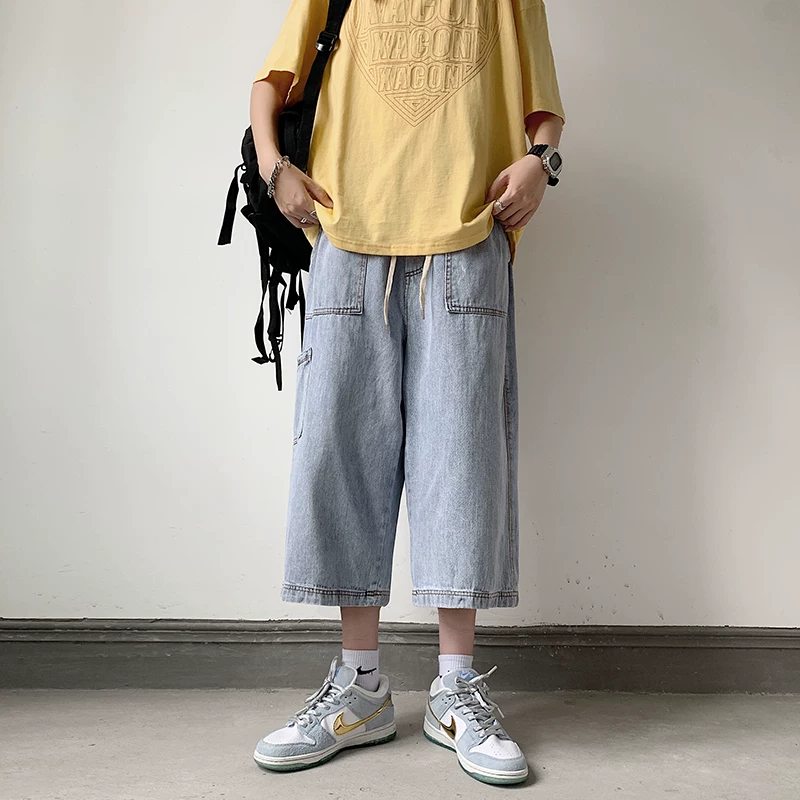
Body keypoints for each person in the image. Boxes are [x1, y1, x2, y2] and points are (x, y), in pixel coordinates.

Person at [249, 0, 565, 785]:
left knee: (463, 461)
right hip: (347, 237)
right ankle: (359, 686)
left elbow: (543, 105)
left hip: (467, 239)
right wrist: (276, 167)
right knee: (341, 456)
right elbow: (272, 81)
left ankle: (456, 687)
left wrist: (541, 162)